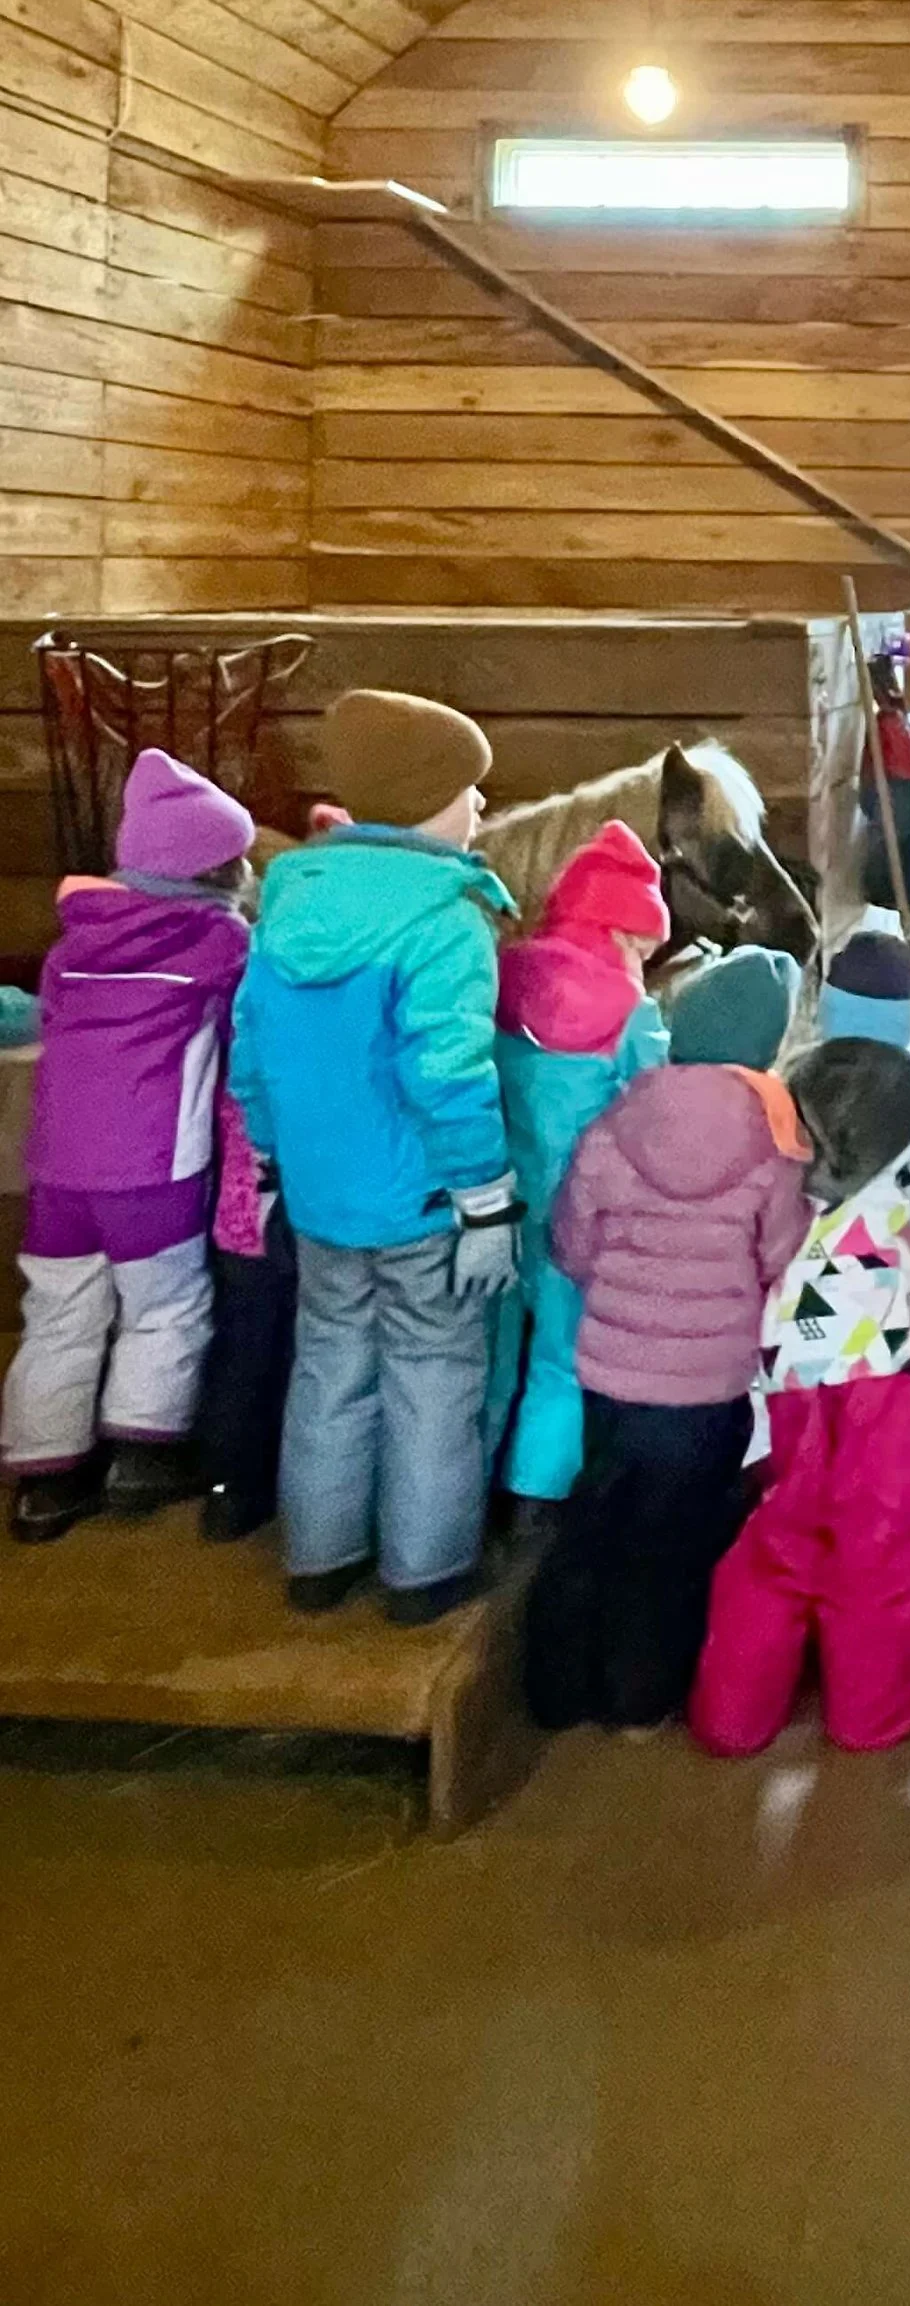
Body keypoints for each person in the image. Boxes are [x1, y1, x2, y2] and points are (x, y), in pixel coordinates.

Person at [229, 693, 521, 1626]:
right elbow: (449, 1074)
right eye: (469, 789)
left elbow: (251, 1051)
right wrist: (486, 1198)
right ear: (428, 801)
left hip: (320, 1197)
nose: (481, 805)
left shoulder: (289, 902)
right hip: (421, 1202)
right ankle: (424, 1572)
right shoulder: (447, 918)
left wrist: (271, 1160)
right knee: (433, 1373)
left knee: (329, 1365)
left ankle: (320, 1559)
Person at [524, 947, 810, 1732]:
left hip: (611, 1379)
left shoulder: (617, 1120)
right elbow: (780, 1258)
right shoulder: (776, 1142)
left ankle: (556, 1692)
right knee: (671, 1547)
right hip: (708, 1389)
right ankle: (639, 1701)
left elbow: (572, 1242)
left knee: (594, 1525)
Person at [4, 750, 254, 1542]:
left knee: (58, 1310)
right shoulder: (219, 942)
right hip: (154, 1169)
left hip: (56, 1169)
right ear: (213, 871)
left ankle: (45, 1481)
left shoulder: (70, 947)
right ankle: (140, 1459)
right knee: (165, 1307)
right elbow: (247, 1032)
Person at [690, 1037, 910, 1757]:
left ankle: (733, 1717)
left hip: (790, 1367)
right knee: (882, 1542)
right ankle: (872, 1715)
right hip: (889, 1368)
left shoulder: (779, 1161)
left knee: (783, 1537)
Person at [486, 823, 671, 1511]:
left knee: (493, 1354)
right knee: (561, 1361)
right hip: (582, 1216)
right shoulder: (631, 1013)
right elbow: (656, 1108)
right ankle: (536, 1502)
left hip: (499, 1197)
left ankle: (472, 1486)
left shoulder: (504, 975)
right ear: (621, 931)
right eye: (642, 948)